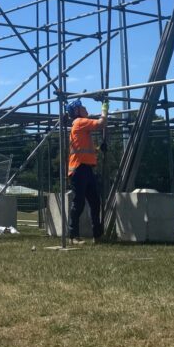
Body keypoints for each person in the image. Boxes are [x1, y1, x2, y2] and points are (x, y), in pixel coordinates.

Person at [66, 97, 109, 244]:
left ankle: (97, 235)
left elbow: (84, 150)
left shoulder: (80, 126)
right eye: (82, 107)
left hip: (86, 168)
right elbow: (102, 123)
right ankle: (73, 236)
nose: (85, 108)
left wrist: (97, 149)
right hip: (79, 169)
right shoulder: (79, 122)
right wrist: (105, 107)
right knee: (79, 203)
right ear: (77, 111)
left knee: (95, 202)